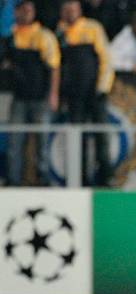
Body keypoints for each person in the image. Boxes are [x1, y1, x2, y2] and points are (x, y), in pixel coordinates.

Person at [56, 0, 114, 186]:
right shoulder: (60, 32)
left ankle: (105, 178)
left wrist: (102, 87)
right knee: (76, 140)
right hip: (74, 95)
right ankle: (79, 178)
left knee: (101, 136)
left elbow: (106, 58)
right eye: (66, 10)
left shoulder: (92, 28)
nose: (70, 13)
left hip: (94, 92)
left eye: (73, 9)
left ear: (79, 10)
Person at [3, 0, 60, 186]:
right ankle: (13, 180)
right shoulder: (11, 36)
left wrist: (53, 94)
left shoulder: (43, 36)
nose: (27, 13)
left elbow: (54, 67)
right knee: (14, 142)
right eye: (23, 10)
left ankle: (42, 180)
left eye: (30, 10)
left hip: (40, 98)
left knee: (42, 143)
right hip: (19, 98)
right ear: (16, 12)